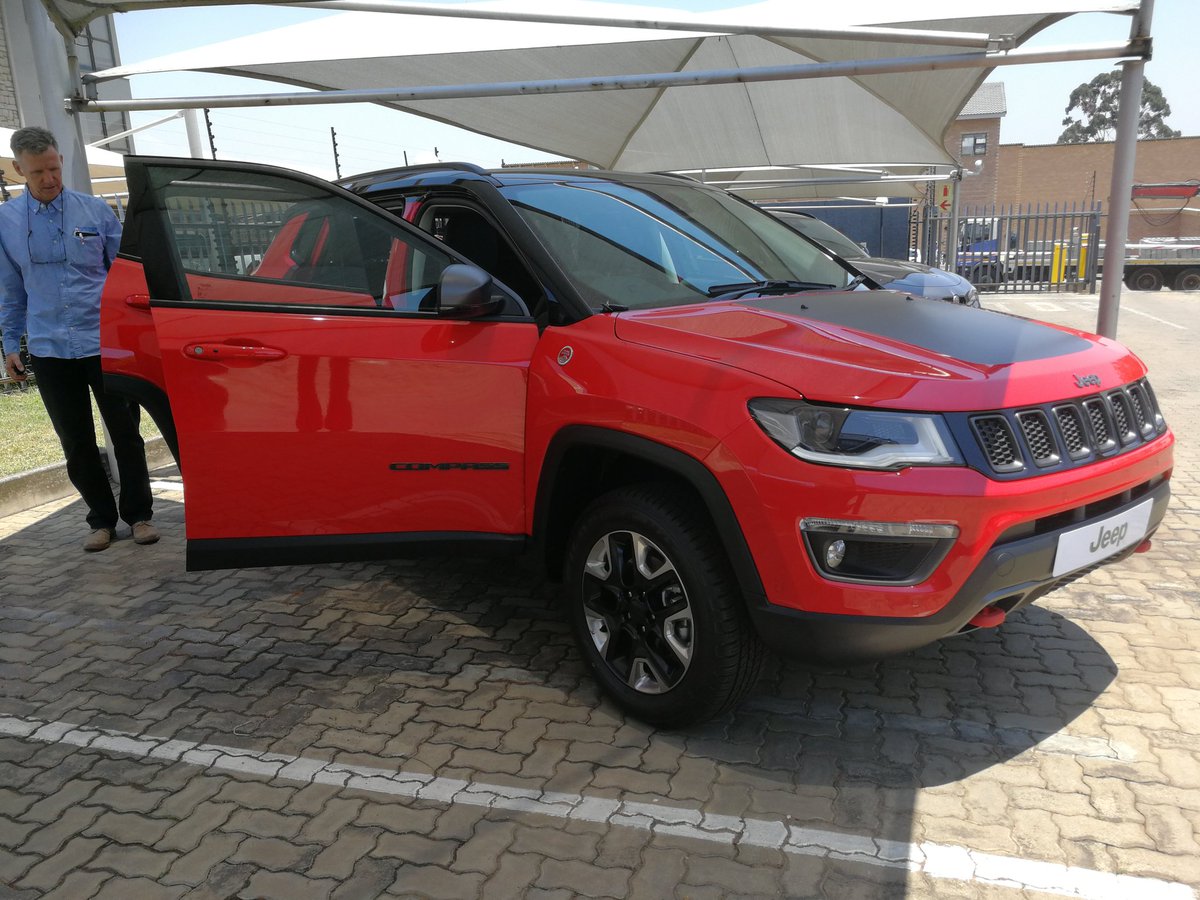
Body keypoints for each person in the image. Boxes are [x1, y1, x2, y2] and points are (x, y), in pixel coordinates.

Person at [0, 125, 157, 552]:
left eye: (53, 168)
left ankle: (140, 516)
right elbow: (10, 289)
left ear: (60, 161)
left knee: (125, 431)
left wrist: (136, 333)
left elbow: (126, 278)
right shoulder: (6, 222)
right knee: (75, 439)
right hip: (49, 347)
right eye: (37, 172)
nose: (49, 178)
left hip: (103, 342)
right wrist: (10, 344)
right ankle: (101, 521)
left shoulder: (96, 211)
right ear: (18, 170)